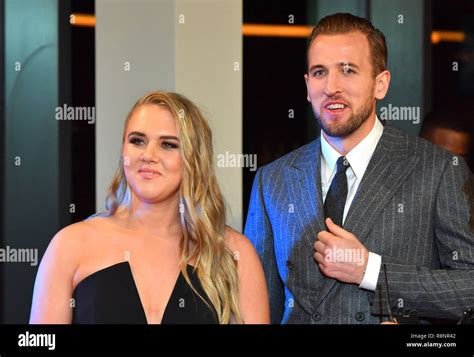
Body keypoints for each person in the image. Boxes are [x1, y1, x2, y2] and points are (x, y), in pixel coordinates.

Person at [245, 13, 474, 324]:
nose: (331, 87)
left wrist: (371, 271)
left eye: (348, 70)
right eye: (319, 72)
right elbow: (255, 307)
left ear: (380, 84)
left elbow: (468, 289)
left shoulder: (439, 170)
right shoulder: (272, 180)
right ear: (307, 85)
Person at [30, 91, 269, 324]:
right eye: (137, 141)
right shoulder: (71, 245)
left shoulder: (235, 254)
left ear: (194, 158)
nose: (148, 154)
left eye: (168, 144)